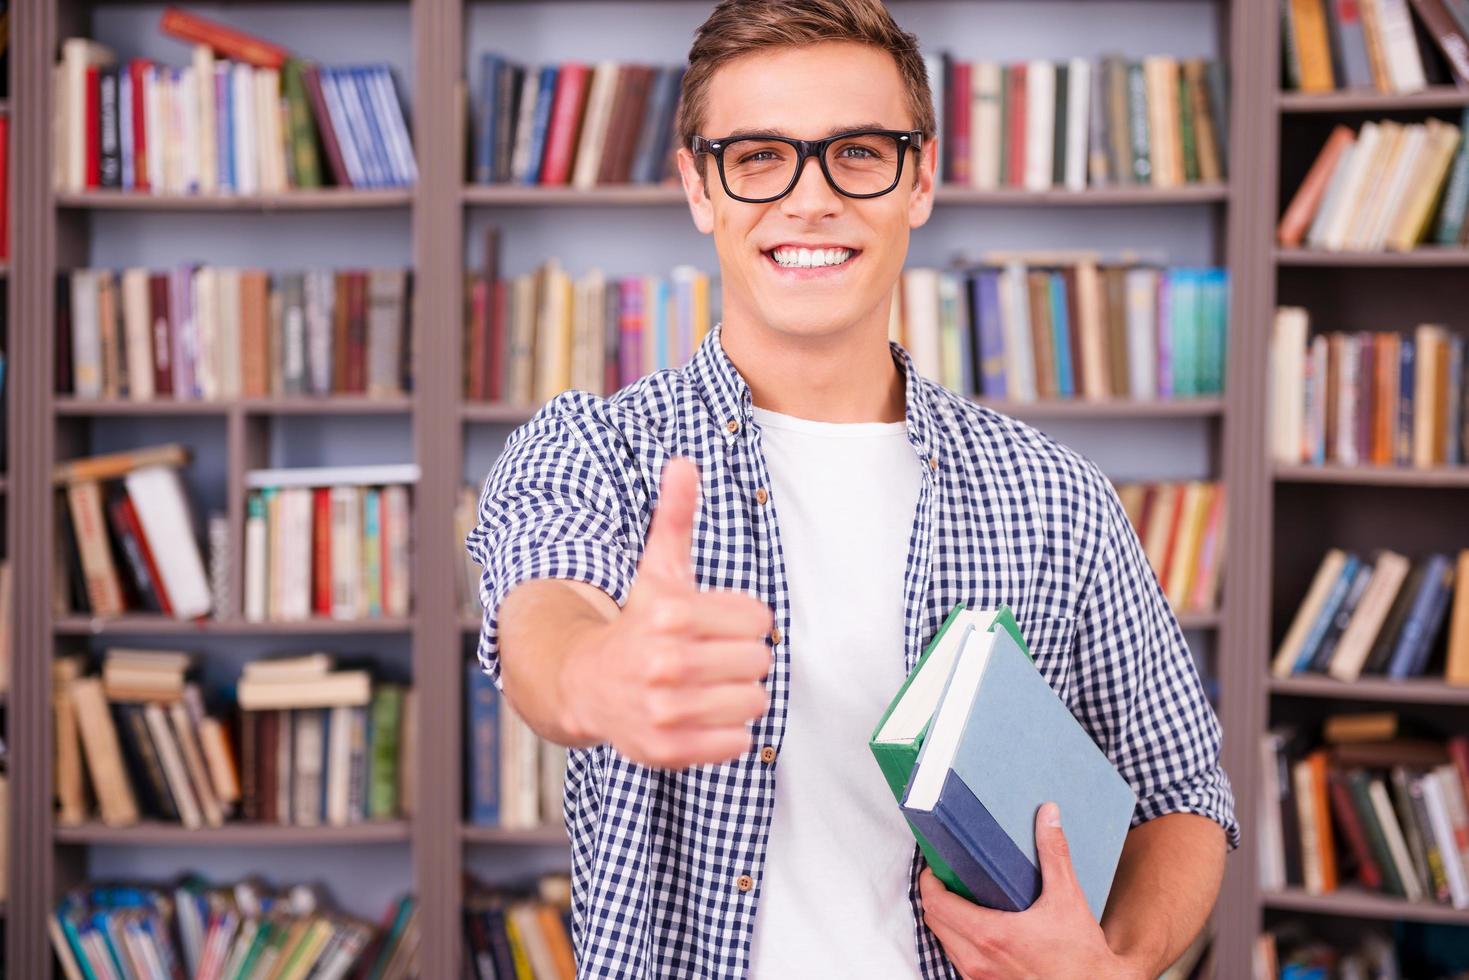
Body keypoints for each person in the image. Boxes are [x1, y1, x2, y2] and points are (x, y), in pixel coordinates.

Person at [465, 1, 1239, 976]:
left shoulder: (1055, 495)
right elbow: (546, 621)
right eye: (756, 157)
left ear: (918, 179)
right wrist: (599, 675)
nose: (808, 201)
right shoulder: (590, 448)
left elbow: (1182, 790)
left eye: (858, 153)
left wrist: (1113, 961)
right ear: (698, 187)